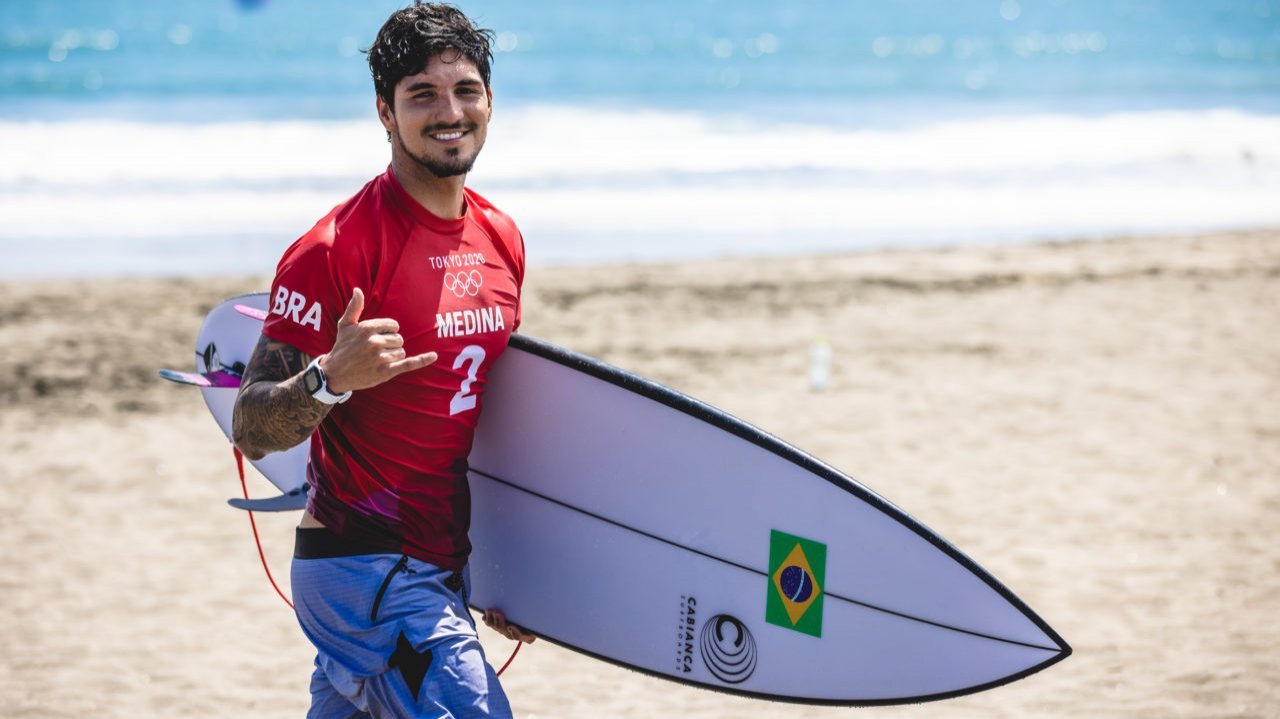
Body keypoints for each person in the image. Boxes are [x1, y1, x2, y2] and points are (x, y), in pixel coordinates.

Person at [231, 3, 534, 716]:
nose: (448, 111)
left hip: (440, 563)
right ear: (385, 112)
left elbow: (477, 422)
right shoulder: (336, 249)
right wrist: (328, 380)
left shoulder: (502, 238)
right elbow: (250, 424)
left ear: (490, 101)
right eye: (421, 94)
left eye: (465, 90)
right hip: (362, 561)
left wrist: (503, 577)